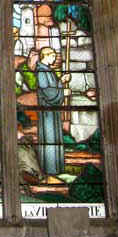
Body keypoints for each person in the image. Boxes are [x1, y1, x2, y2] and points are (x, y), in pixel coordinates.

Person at [36, 47, 71, 177]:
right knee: (49, 137)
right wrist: (63, 91)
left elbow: (52, 88)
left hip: (52, 111)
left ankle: (55, 168)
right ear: (46, 56)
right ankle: (50, 169)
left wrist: (61, 81)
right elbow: (49, 93)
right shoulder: (41, 72)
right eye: (53, 56)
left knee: (53, 137)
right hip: (47, 112)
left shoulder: (47, 71)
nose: (54, 59)